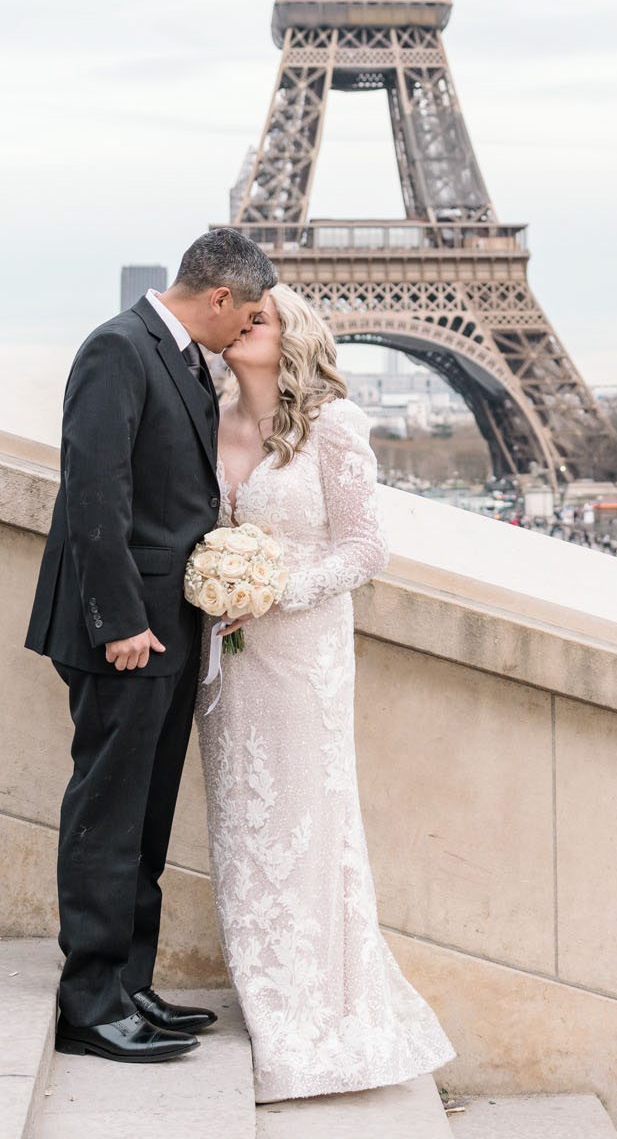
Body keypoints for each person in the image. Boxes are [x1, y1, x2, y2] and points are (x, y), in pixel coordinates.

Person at [25, 228, 277, 1065]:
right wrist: (119, 620)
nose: (246, 330)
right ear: (215, 296)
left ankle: (128, 983)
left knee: (146, 813)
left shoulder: (170, 355)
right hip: (126, 630)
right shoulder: (116, 348)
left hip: (169, 624)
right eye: (243, 314)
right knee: (108, 812)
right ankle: (89, 1001)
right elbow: (95, 490)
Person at [201, 284, 453, 1104]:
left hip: (301, 654)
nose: (242, 323)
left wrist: (276, 591)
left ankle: (312, 1015)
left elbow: (364, 548)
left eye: (259, 318)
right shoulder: (207, 419)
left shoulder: (333, 427)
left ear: (292, 336)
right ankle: (267, 993)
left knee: (306, 826)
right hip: (227, 656)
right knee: (243, 822)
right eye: (237, 314)